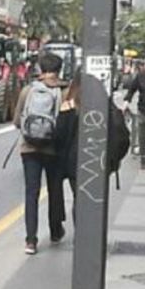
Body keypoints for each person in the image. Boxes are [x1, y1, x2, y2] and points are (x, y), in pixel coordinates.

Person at [14, 52, 66, 255]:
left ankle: (31, 241)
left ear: (40, 69)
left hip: (29, 149)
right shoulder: (63, 92)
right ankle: (55, 231)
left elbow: (17, 121)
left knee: (31, 193)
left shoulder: (28, 90)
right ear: (59, 70)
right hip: (53, 149)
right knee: (54, 190)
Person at [55, 71, 80, 225]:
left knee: (78, 197)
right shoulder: (100, 106)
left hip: (72, 160)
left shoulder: (68, 105)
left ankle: (80, 232)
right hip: (96, 160)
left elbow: (59, 134)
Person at [123, 61, 145, 163]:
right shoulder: (140, 76)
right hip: (143, 109)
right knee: (142, 134)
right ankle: (143, 159)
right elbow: (131, 90)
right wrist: (126, 102)